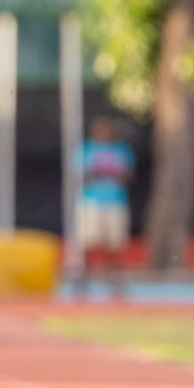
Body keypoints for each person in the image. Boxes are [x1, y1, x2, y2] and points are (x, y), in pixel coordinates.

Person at [78, 115, 135, 299]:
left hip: (116, 202)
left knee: (114, 245)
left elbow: (128, 177)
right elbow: (81, 177)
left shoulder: (122, 151)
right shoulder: (86, 150)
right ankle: (84, 284)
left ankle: (115, 284)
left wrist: (113, 174)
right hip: (92, 202)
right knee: (89, 243)